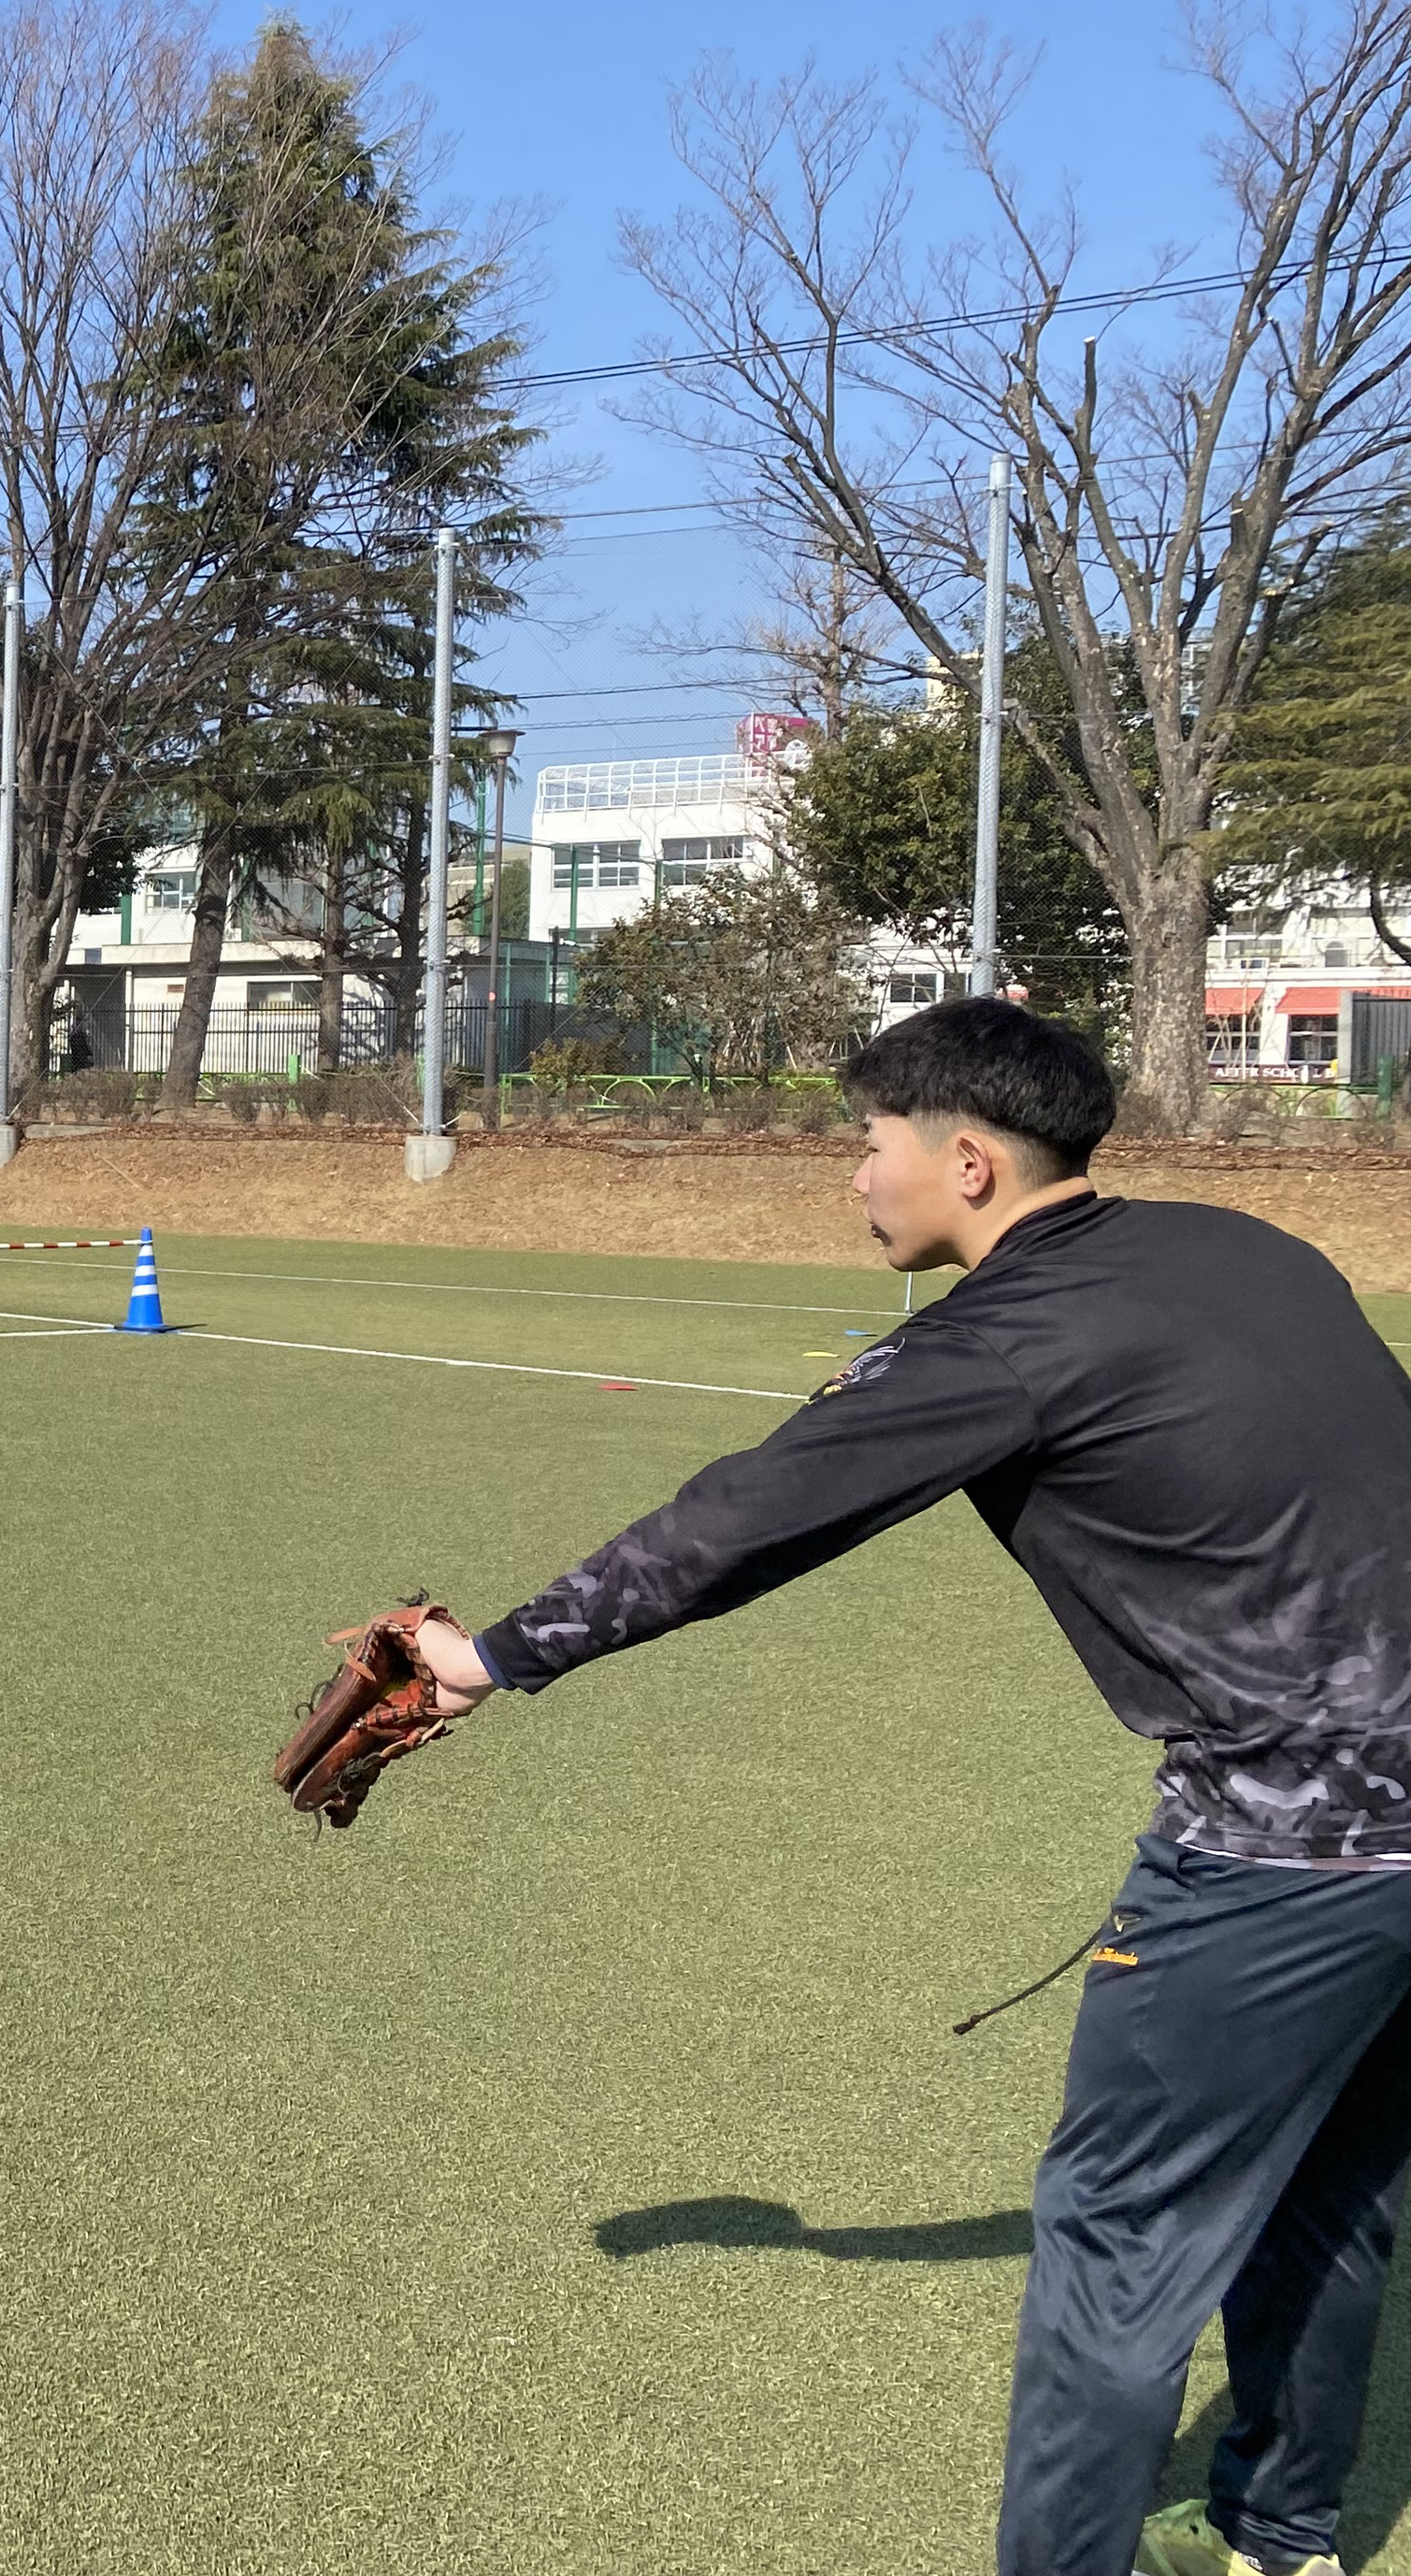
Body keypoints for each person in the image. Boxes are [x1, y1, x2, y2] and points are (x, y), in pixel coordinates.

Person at [404, 998, 1411, 2576]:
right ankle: (1282, 2536)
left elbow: (746, 1519)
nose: (852, 1178)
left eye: (864, 1145)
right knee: (1327, 2190)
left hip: (1279, 1859)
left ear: (965, 1159)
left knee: (1119, 2237)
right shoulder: (1249, 1248)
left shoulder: (1001, 1332)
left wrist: (498, 1653)